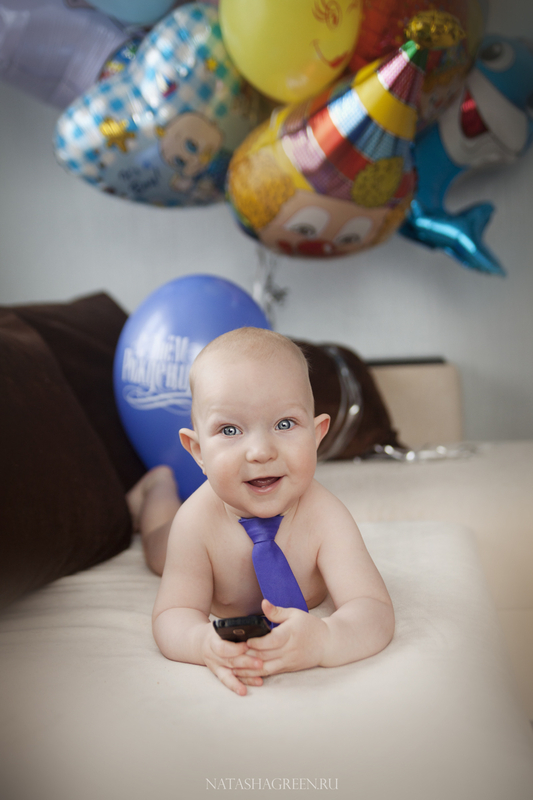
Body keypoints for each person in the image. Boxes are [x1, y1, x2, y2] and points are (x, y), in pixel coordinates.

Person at [127, 327, 394, 696]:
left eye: (284, 424)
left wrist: (326, 638)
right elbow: (172, 614)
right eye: (230, 430)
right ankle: (156, 486)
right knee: (158, 542)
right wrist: (201, 642)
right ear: (199, 451)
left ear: (317, 436)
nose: (261, 452)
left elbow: (372, 607)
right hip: (178, 532)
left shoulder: (326, 517)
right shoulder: (195, 523)